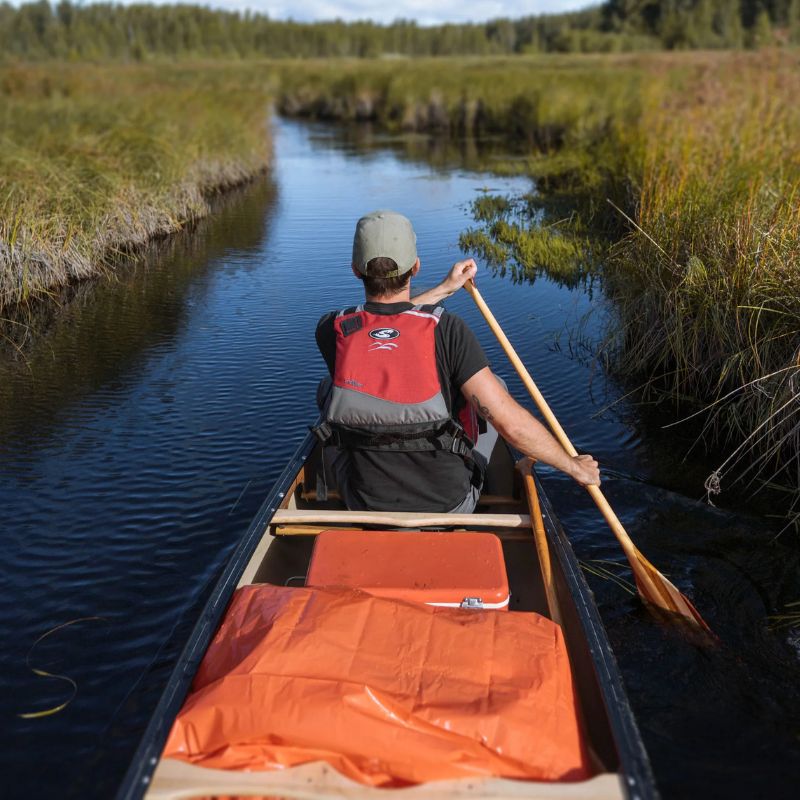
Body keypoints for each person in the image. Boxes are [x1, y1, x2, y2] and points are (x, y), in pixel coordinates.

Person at [314, 209, 600, 513]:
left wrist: (444, 289)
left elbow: (387, 319)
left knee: (329, 389)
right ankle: (501, 485)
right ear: (416, 267)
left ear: (356, 270)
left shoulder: (332, 330)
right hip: (447, 503)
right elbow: (510, 426)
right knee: (493, 390)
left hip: (364, 501)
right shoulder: (449, 330)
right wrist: (572, 466)